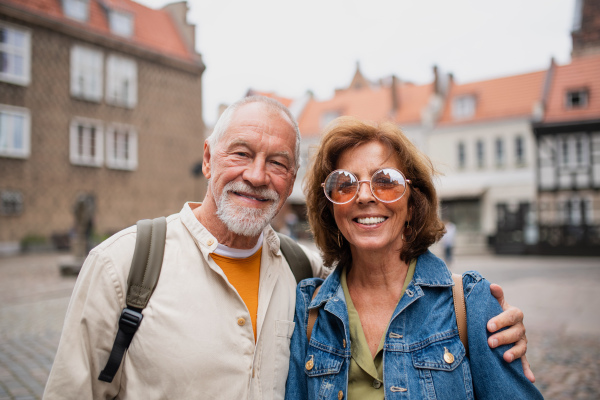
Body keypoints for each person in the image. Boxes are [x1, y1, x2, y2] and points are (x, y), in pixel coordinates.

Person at [44, 97, 530, 400]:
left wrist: (495, 320)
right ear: (209, 158)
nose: (257, 176)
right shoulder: (122, 266)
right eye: (241, 153)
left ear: (292, 180)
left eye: (277, 162)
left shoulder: (305, 279)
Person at [285, 117, 542, 399]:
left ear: (412, 204)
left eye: (385, 181)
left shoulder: (468, 303)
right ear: (331, 208)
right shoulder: (309, 310)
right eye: (345, 183)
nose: (364, 195)